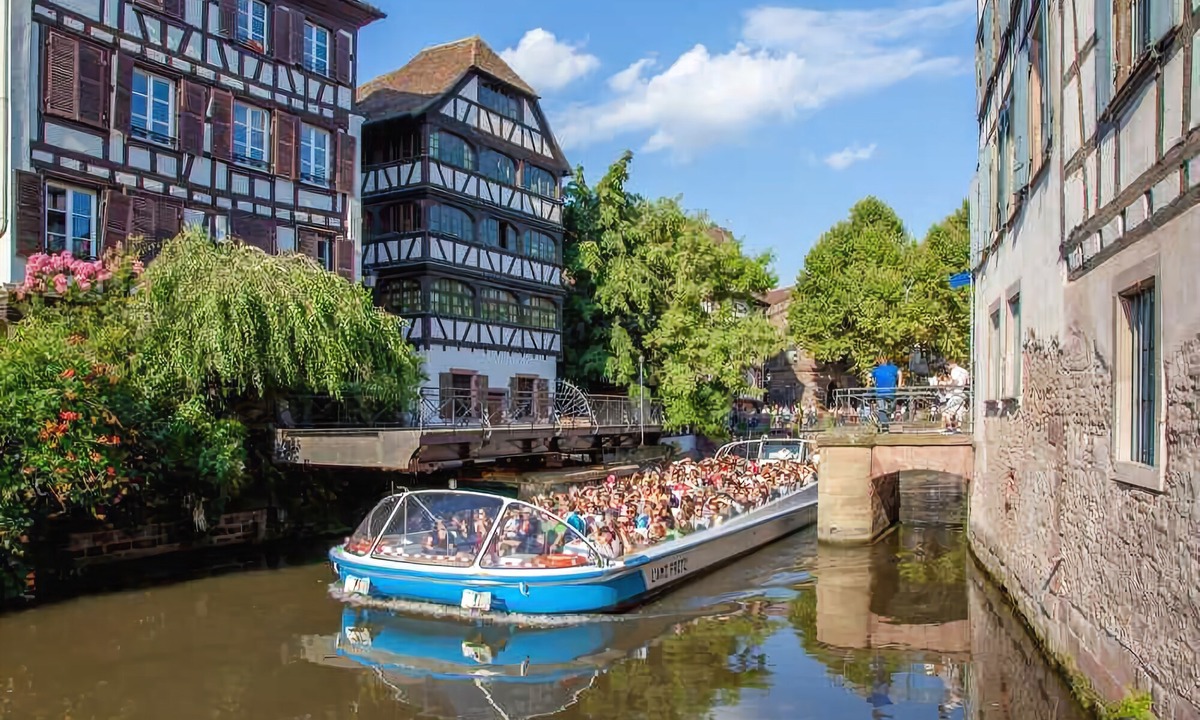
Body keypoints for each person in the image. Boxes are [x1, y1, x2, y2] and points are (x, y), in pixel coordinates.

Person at [870, 355, 901, 432]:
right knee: (888, 410)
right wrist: (899, 385)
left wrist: (873, 384)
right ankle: (885, 426)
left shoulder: (876, 370)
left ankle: (884, 426)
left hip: (880, 393)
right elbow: (900, 373)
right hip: (891, 393)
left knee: (882, 410)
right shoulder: (893, 368)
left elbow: (869, 376)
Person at [942, 360, 970, 434]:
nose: (948, 369)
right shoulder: (965, 371)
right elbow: (967, 383)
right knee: (959, 412)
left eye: (948, 367)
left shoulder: (954, 371)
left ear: (950, 365)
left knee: (946, 412)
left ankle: (949, 428)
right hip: (961, 393)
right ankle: (958, 428)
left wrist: (947, 385)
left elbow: (954, 382)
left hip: (955, 393)